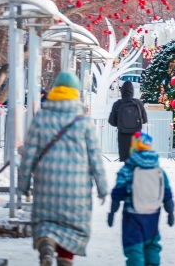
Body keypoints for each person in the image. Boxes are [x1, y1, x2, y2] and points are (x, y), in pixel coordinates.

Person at [19, 71, 108, 266]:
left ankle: (46, 242)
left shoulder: (41, 118)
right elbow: (95, 158)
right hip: (76, 186)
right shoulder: (84, 122)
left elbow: (28, 154)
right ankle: (65, 259)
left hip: (46, 182)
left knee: (46, 220)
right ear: (75, 93)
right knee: (72, 225)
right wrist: (102, 188)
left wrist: (23, 184)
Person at [108, 132, 175, 266]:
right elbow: (166, 193)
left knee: (134, 246)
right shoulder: (159, 170)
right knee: (152, 244)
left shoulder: (128, 169)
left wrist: (112, 212)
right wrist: (170, 212)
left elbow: (118, 192)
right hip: (153, 215)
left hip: (132, 216)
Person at [109, 80, 148, 162]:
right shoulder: (138, 103)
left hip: (123, 136)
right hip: (136, 136)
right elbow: (144, 120)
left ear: (122, 91)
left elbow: (111, 121)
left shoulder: (117, 104)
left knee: (125, 160)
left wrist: (121, 123)